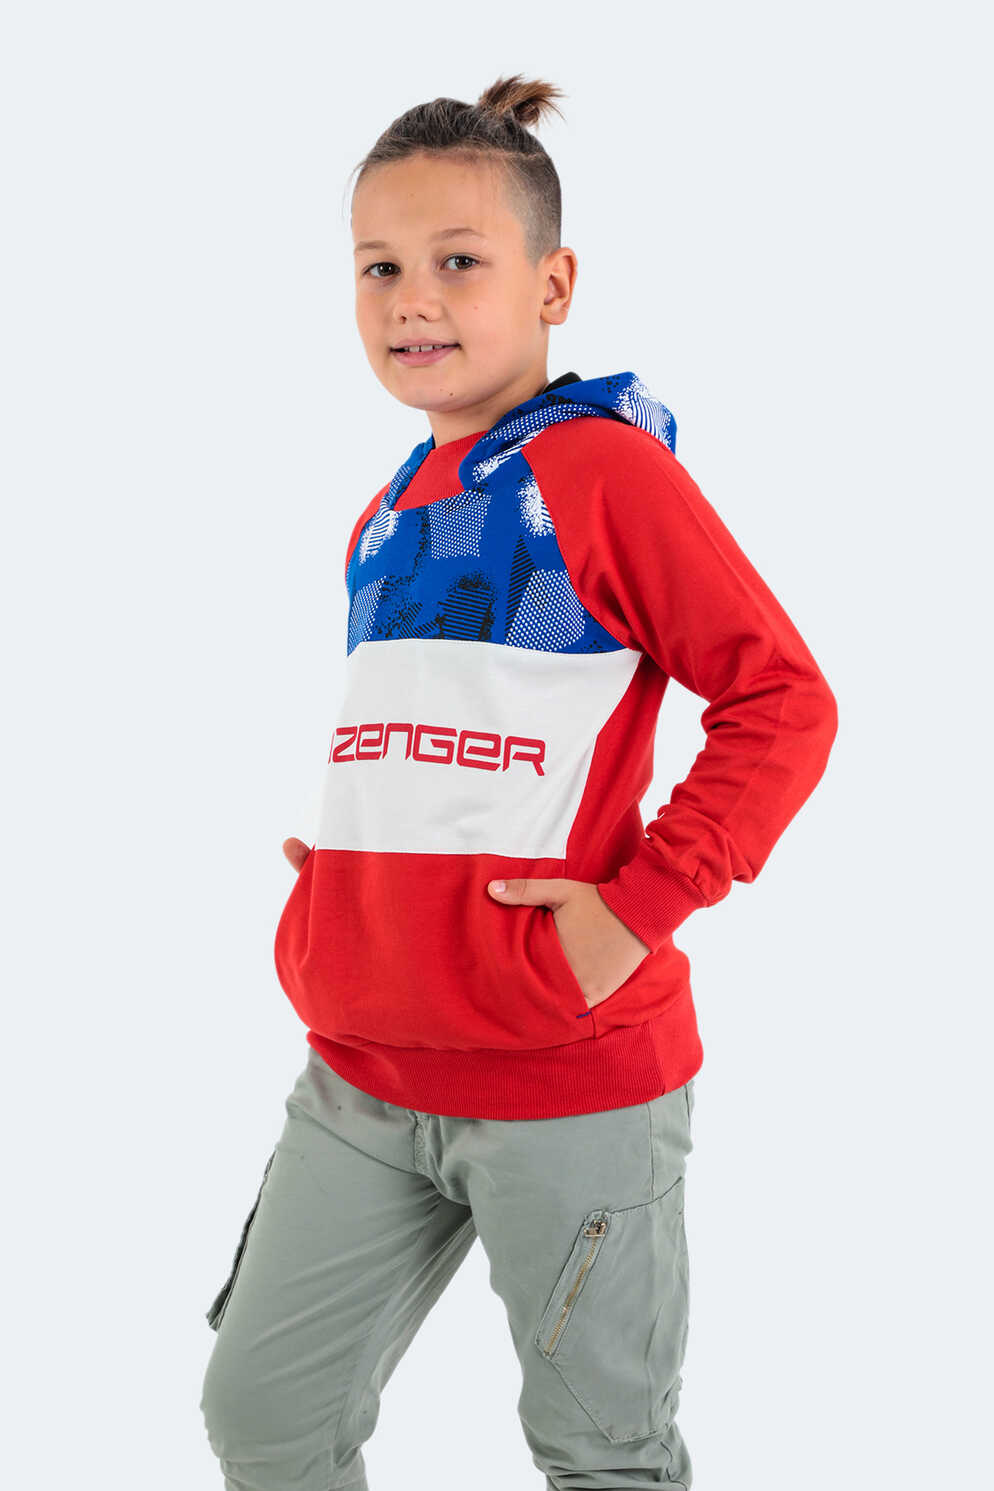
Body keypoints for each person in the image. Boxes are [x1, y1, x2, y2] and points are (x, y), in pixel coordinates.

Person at [199, 73, 838, 1491]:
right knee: (265, 1414)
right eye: (379, 268)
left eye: (458, 262)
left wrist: (637, 908)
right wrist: (352, 872)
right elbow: (455, 741)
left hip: (563, 1073)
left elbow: (782, 700)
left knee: (600, 1455)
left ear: (552, 285)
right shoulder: (391, 507)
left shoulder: (601, 472)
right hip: (362, 1066)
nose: (411, 300)